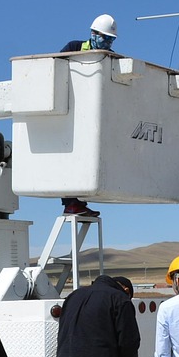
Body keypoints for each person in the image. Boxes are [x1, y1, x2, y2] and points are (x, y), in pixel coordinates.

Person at [57, 13, 118, 217]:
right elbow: (55, 68)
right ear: (93, 33)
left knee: (88, 158)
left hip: (93, 114)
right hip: (70, 109)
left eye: (111, 39)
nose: (108, 42)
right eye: (105, 37)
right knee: (70, 156)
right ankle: (71, 203)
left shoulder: (110, 58)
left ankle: (78, 203)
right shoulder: (74, 48)